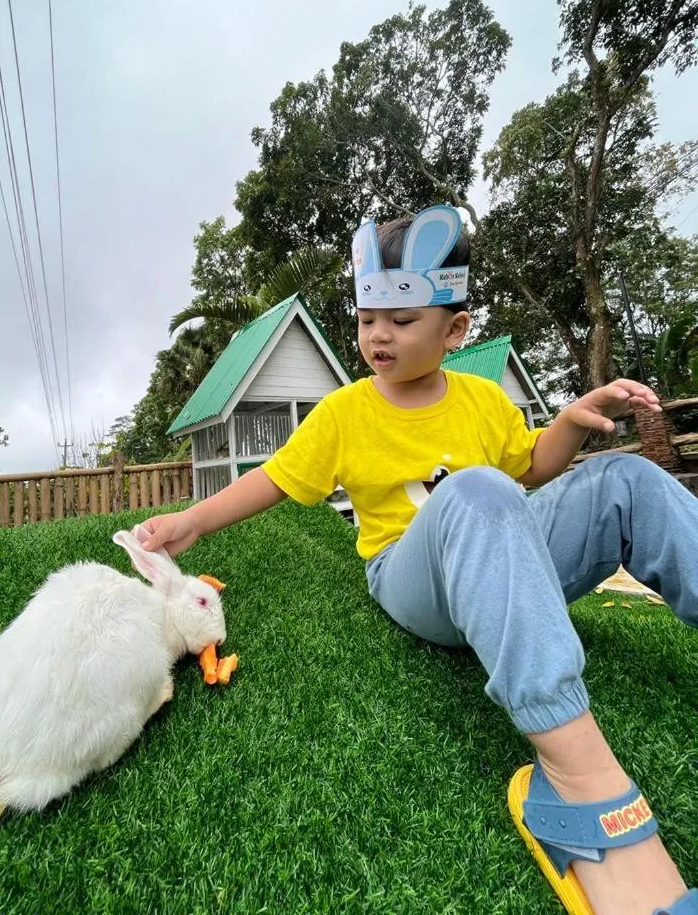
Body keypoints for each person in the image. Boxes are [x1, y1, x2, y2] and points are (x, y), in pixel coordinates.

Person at [141, 206, 697, 915]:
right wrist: (192, 519)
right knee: (475, 489)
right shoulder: (344, 412)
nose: (377, 334)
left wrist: (564, 423)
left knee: (629, 480)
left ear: (454, 329)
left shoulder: (482, 398)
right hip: (414, 580)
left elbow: (531, 471)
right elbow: (275, 478)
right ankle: (574, 771)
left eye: (401, 322)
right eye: (368, 317)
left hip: (509, 557)